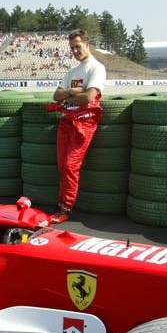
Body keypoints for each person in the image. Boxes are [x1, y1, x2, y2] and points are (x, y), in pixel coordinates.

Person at [48, 29, 106, 224]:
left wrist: (70, 94)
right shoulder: (71, 72)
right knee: (62, 165)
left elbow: (88, 97)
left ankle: (65, 207)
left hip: (84, 122)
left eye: (78, 46)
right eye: (72, 48)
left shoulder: (96, 68)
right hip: (66, 121)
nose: (75, 51)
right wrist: (74, 91)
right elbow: (56, 96)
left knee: (71, 166)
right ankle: (61, 203)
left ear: (87, 45)